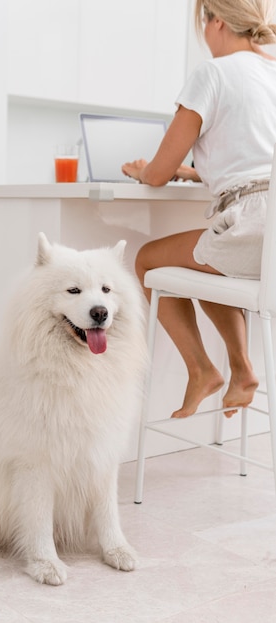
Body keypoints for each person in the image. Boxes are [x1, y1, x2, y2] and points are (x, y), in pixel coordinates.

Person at [122, 0, 276, 419]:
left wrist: (144, 169)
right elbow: (257, 160)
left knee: (149, 259)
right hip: (268, 236)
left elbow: (157, 174)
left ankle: (204, 369)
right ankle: (241, 370)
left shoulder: (212, 73)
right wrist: (197, 173)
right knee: (206, 259)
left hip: (252, 228)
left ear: (217, 22)